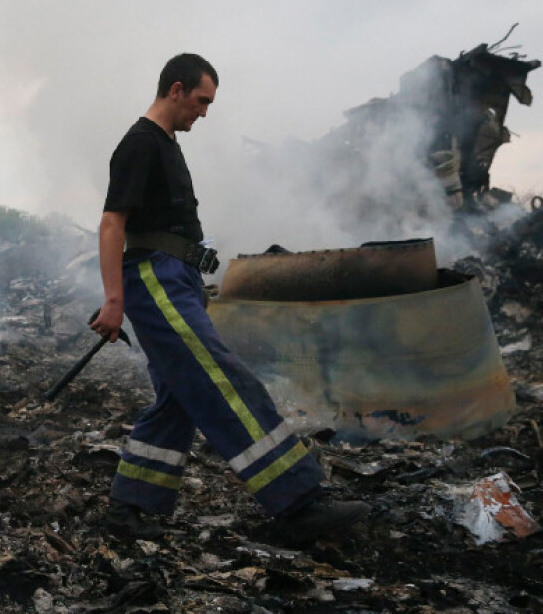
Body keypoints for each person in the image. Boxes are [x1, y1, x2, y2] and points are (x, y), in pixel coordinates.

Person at [89, 53, 369, 542]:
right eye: (201, 101)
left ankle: (128, 507)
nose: (204, 112)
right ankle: (297, 503)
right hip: (154, 279)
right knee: (223, 379)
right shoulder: (139, 144)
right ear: (175, 90)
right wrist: (114, 300)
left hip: (178, 279)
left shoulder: (166, 144)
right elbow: (113, 223)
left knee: (181, 395)